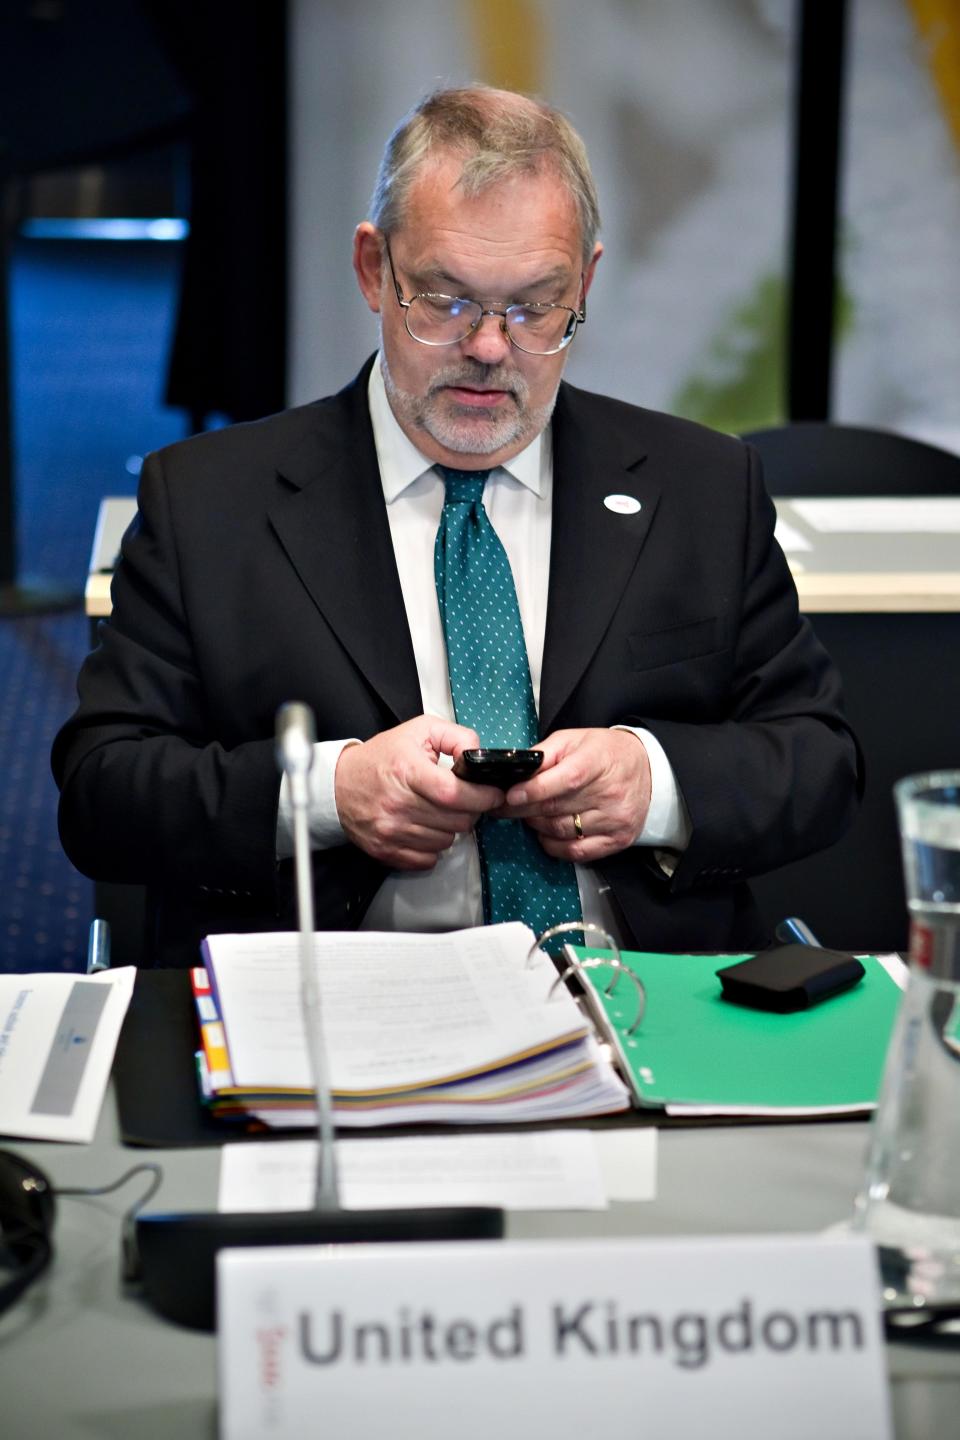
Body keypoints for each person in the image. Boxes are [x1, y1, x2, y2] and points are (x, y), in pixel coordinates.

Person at [53, 85, 861, 967]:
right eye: (444, 300)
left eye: (534, 306)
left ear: (584, 283)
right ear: (374, 269)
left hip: (641, 1005)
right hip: (341, 1017)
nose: (487, 346)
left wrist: (657, 781)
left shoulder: (701, 486)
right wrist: (327, 792)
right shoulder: (210, 501)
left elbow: (818, 761)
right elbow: (103, 796)